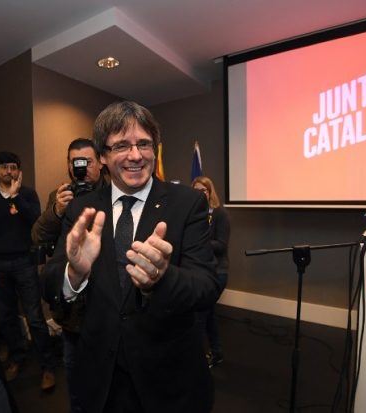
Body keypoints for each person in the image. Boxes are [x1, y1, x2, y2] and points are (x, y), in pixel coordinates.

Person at [42, 101, 222, 413]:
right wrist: (75, 274)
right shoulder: (80, 209)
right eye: (121, 145)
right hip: (102, 378)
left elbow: (207, 285)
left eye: (143, 144)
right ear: (103, 156)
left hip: (168, 378)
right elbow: (48, 282)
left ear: (155, 148)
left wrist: (161, 279)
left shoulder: (188, 203)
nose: (135, 155)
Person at [0, 152, 57, 389]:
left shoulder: (27, 194)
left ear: (19, 171)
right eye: (4, 167)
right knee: (6, 317)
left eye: (13, 167)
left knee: (35, 318)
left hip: (24, 262)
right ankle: (17, 358)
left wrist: (15, 198)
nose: (9, 171)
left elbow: (37, 222)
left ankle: (47, 366)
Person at [32, 137, 107, 412]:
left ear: (100, 162)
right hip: (71, 312)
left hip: (104, 303)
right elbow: (37, 236)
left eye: (87, 161)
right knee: (76, 384)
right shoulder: (60, 195)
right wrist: (56, 211)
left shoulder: (114, 192)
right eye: (75, 162)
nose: (81, 168)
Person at [192, 175, 231, 368]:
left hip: (218, 273)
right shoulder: (194, 214)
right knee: (208, 314)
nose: (199, 194)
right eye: (196, 190)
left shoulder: (219, 213)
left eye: (203, 190)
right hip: (201, 271)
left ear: (209, 192)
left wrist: (198, 243)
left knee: (200, 314)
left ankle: (197, 360)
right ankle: (217, 353)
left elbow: (221, 246)